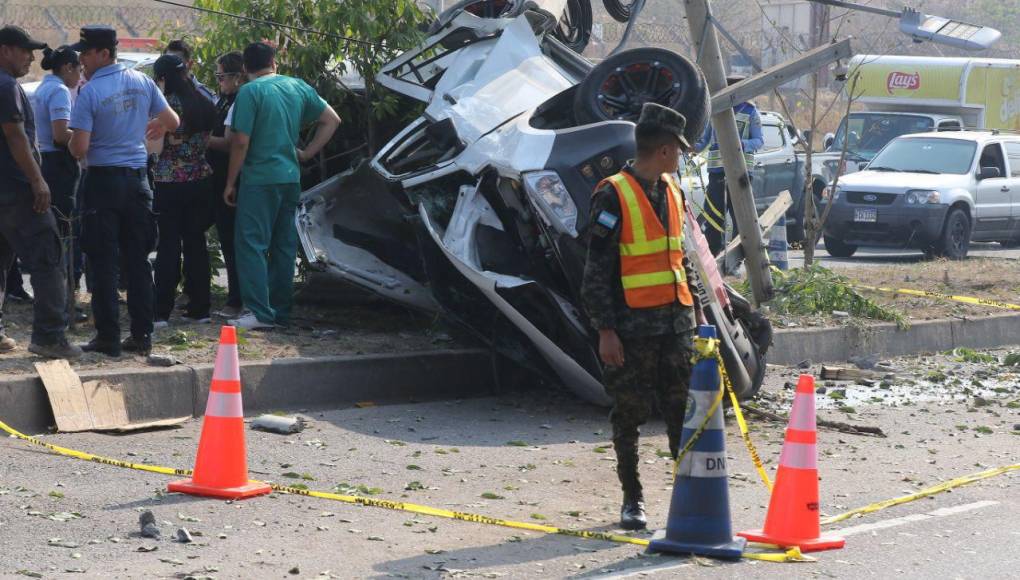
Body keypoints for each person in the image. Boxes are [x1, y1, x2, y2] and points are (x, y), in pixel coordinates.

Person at [580, 102, 703, 530]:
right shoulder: (612, 193)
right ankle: (632, 500)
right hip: (632, 330)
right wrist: (606, 331)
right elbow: (596, 270)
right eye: (680, 150)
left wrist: (698, 315)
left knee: (680, 414)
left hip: (676, 325)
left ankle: (688, 497)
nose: (681, 157)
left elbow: (681, 259)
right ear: (666, 150)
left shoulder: (673, 190)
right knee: (629, 414)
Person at [69, 25, 180, 357]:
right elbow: (173, 121)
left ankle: (108, 338)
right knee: (137, 261)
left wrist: (73, 140)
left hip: (103, 182)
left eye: (85, 53)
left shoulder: (89, 91)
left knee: (102, 262)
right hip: (137, 181)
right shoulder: (142, 81)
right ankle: (142, 336)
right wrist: (157, 124)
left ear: (104, 53)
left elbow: (80, 148)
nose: (81, 60)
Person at [224, 41, 339, 330]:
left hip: (259, 178)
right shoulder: (296, 86)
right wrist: (307, 153)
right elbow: (331, 119)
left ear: (245, 69)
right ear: (275, 63)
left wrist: (230, 181)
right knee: (283, 245)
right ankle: (280, 311)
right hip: (290, 176)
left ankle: (259, 313)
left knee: (251, 243)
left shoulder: (249, 92)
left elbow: (240, 141)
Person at [0, 25, 82, 359]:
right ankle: (49, 337)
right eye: (25, 51)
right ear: (5, 50)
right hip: (17, 190)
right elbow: (16, 136)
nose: (31, 58)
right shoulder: (5, 85)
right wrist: (38, 180)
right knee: (49, 259)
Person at [151, 54, 219, 327]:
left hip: (169, 182)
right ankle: (200, 308)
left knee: (168, 245)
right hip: (200, 179)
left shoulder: (167, 108)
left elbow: (154, 147)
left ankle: (161, 311)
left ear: (164, 78)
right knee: (195, 243)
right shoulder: (205, 102)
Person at [33, 45, 86, 320]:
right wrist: (87, 138)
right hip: (58, 165)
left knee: (54, 236)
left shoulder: (44, 87)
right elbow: (59, 134)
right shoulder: (59, 91)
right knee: (66, 234)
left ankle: (59, 299)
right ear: (68, 67)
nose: (81, 73)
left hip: (46, 163)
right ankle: (65, 300)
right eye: (79, 68)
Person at [694, 75, 763, 256]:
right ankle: (714, 255)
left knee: (742, 217)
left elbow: (759, 140)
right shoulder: (716, 109)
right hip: (717, 172)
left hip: (741, 173)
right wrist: (692, 147)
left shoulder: (750, 112)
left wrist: (742, 144)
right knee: (714, 215)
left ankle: (738, 257)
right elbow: (705, 140)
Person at [206, 51, 245, 318]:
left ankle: (237, 299)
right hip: (220, 176)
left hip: (231, 177)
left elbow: (232, 143)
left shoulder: (239, 101)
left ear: (237, 77)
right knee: (227, 238)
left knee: (233, 241)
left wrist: (201, 139)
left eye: (221, 77)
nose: (219, 82)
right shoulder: (225, 100)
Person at [164, 38, 216, 103]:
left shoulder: (204, 96)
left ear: (190, 64)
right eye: (167, 63)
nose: (170, 68)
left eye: (176, 63)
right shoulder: (158, 92)